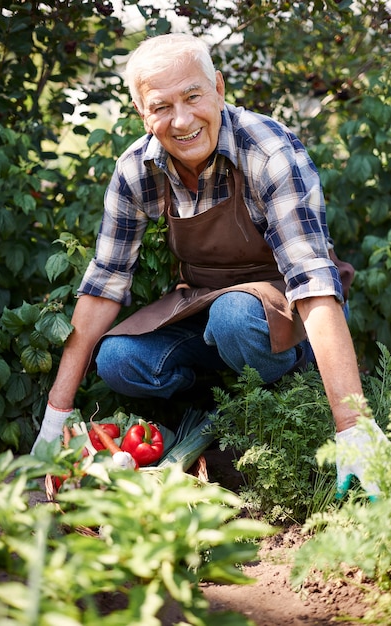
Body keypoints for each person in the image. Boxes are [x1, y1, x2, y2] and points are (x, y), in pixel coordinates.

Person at [32, 33, 387, 497]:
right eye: (160, 106)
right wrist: (53, 420)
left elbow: (312, 280)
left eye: (193, 96)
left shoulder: (267, 151)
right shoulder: (137, 170)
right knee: (118, 359)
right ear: (142, 112)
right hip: (206, 307)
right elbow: (104, 284)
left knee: (235, 318)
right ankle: (212, 407)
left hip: (281, 311)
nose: (181, 120)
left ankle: (296, 378)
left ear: (218, 88)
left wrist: (352, 424)